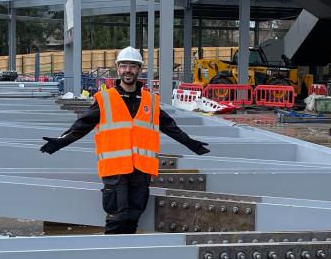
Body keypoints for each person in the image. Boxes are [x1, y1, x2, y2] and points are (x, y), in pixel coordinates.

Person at [40, 46, 210, 234]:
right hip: (115, 169)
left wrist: (191, 144)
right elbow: (81, 126)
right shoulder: (105, 99)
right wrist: (60, 142)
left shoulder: (150, 101)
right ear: (118, 69)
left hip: (141, 169)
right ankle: (111, 256)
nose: (128, 70)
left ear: (139, 69)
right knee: (117, 216)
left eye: (132, 66)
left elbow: (170, 127)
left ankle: (127, 256)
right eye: (124, 66)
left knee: (134, 215)